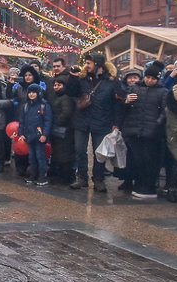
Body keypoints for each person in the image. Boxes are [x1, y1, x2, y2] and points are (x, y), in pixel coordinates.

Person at [119, 63, 168, 199]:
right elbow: (123, 107)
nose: (149, 81)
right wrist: (127, 100)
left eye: (153, 78)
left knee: (150, 160)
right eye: (147, 77)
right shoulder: (134, 88)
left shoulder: (163, 92)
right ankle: (138, 184)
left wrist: (156, 124)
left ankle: (149, 187)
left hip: (151, 132)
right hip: (134, 130)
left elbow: (165, 112)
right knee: (137, 159)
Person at [72, 53, 118, 192]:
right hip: (82, 120)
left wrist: (115, 122)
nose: (86, 65)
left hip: (102, 121)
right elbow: (71, 92)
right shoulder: (82, 78)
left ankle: (98, 179)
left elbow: (116, 103)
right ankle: (82, 177)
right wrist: (73, 78)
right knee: (80, 150)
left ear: (98, 65)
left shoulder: (111, 81)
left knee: (99, 153)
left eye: (89, 63)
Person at [49, 72, 79, 186]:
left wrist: (57, 122)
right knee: (59, 153)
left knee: (64, 155)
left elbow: (66, 113)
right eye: (55, 85)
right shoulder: (59, 97)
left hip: (64, 131)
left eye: (59, 85)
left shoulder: (65, 98)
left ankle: (65, 177)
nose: (56, 87)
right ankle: (61, 176)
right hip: (60, 130)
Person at [20, 83, 52, 185]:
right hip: (29, 135)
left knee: (40, 156)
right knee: (32, 157)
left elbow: (48, 121)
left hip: (39, 136)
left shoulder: (44, 105)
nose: (31, 94)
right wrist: (21, 133)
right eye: (30, 92)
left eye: (34, 92)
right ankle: (33, 175)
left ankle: (42, 176)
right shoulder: (25, 106)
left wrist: (45, 135)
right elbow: (22, 121)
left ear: (38, 93)